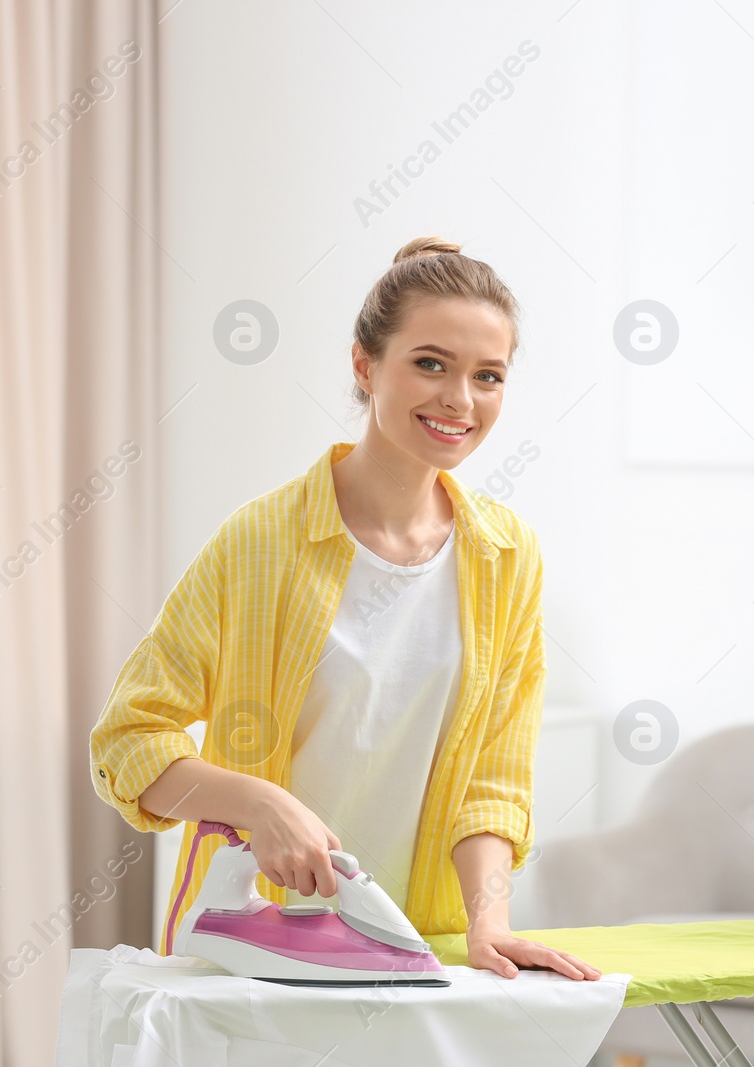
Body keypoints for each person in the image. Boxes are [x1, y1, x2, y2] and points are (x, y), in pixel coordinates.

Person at [90, 236, 599, 983]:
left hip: (425, 950)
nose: (460, 398)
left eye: (487, 375)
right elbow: (126, 741)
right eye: (430, 363)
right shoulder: (261, 543)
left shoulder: (505, 557)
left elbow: (494, 778)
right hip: (254, 961)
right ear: (365, 364)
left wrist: (490, 923)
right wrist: (259, 803)